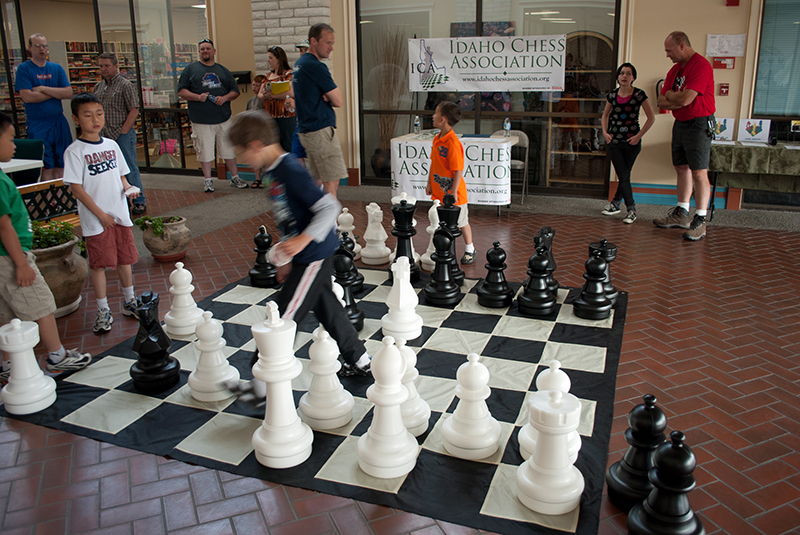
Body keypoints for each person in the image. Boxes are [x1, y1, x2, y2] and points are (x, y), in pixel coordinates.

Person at [227, 110, 371, 402]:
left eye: (242, 152)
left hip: (314, 254)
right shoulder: (272, 172)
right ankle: (360, 359)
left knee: (281, 317)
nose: (242, 160)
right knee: (328, 308)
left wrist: (303, 241)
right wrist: (288, 253)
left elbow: (329, 207)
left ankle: (260, 386)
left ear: (256, 145)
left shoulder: (289, 169)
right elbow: (288, 217)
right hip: (305, 255)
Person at [0, 111, 91, 383]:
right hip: (11, 257)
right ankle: (57, 356)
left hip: (4, 258)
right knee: (41, 305)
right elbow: (4, 226)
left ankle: (5, 364)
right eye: (10, 139)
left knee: (6, 314)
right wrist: (21, 264)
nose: (15, 145)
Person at [62, 93, 141, 335]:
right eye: (88, 115)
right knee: (99, 264)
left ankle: (129, 301)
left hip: (119, 215)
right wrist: (100, 214)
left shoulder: (112, 145)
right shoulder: (75, 151)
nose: (95, 119)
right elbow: (77, 189)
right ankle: (103, 309)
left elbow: (121, 175)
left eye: (99, 114)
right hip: (96, 220)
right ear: (76, 119)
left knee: (124, 259)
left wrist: (128, 189)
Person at [656, 31, 716, 241]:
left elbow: (686, 99)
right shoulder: (675, 70)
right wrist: (675, 97)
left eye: (669, 50)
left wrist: (674, 97)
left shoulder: (700, 65)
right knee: (681, 168)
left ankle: (700, 219)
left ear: (682, 46)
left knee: (699, 172)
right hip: (680, 123)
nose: (667, 55)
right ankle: (682, 213)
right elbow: (661, 101)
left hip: (699, 123)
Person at [177, 38, 247, 192]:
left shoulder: (223, 70)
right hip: (201, 120)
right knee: (205, 151)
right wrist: (197, 97)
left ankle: (235, 177)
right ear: (199, 52)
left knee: (228, 149)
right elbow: (181, 91)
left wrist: (225, 98)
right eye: (202, 49)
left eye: (208, 48)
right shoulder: (190, 70)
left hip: (224, 118)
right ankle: (208, 180)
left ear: (214, 51)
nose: (205, 51)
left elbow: (235, 91)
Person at [293, 23, 347, 198]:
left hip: (309, 129)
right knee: (331, 180)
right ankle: (329, 224)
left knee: (318, 180)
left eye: (332, 43)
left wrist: (327, 95)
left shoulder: (300, 63)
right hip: (319, 130)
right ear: (313, 41)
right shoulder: (316, 66)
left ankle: (318, 219)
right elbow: (338, 100)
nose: (331, 48)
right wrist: (329, 96)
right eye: (327, 43)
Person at [600, 63, 656, 224]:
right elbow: (605, 116)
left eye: (628, 73)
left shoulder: (639, 95)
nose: (624, 76)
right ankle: (630, 208)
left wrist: (638, 136)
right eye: (622, 73)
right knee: (623, 175)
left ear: (633, 77)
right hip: (614, 141)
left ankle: (617, 204)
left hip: (632, 142)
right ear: (618, 77)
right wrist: (604, 132)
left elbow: (651, 117)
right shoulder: (612, 95)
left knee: (624, 175)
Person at [14, 33, 73, 182]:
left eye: (44, 45)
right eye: (38, 46)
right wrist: (55, 92)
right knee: (46, 166)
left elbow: (68, 92)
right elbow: (28, 97)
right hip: (38, 123)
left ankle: (61, 201)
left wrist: (42, 88)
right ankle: (48, 202)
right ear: (30, 48)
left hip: (59, 122)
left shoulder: (56, 68)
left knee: (62, 163)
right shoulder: (24, 69)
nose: (42, 49)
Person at [94, 52, 146, 215]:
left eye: (107, 66)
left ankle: (139, 200)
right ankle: (119, 201)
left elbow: (134, 110)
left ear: (116, 66)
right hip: (104, 136)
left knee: (129, 168)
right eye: (101, 66)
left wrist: (123, 130)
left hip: (121, 134)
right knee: (110, 170)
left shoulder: (125, 85)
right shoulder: (98, 87)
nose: (104, 69)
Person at [425, 101, 476, 264]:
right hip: (440, 191)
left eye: (436, 113)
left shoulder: (453, 143)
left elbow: (458, 170)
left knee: (461, 222)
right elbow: (433, 163)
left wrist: (453, 192)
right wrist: (429, 183)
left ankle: (470, 249)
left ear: (443, 119)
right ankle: (447, 249)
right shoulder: (437, 139)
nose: (433, 116)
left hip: (455, 195)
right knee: (444, 222)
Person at [259, 46, 297, 153]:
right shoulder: (268, 76)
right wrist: (265, 96)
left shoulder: (288, 74)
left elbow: (292, 92)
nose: (269, 60)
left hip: (285, 115)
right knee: (273, 146)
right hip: (270, 116)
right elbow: (259, 94)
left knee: (288, 145)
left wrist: (274, 96)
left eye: (271, 58)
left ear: (279, 59)